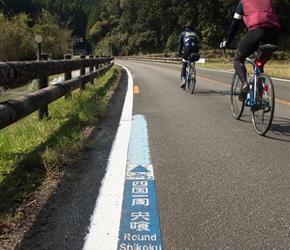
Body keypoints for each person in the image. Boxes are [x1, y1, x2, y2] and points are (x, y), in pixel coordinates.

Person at [220, 0, 280, 101]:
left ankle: (245, 84)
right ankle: (259, 100)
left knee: (238, 58)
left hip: (257, 32)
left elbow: (235, 24)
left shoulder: (243, 2)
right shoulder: (268, 1)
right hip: (274, 34)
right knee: (259, 64)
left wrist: (228, 41)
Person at [178, 21, 200, 89]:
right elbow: (198, 41)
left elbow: (181, 44)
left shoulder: (183, 33)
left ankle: (183, 80)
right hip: (196, 49)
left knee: (184, 64)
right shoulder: (196, 33)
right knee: (192, 59)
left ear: (186, 27)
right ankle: (192, 71)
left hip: (187, 49)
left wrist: (179, 53)